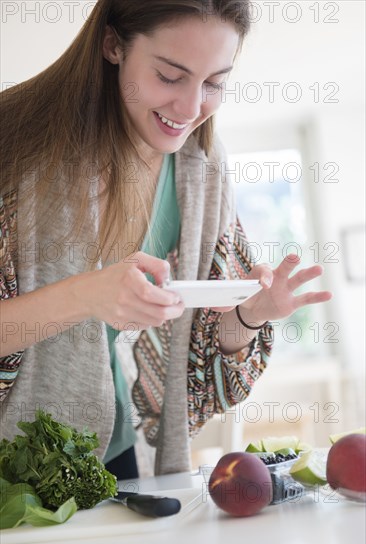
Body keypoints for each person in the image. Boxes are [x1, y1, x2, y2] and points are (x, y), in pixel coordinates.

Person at [0, 0, 331, 480]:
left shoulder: (203, 168)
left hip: (119, 458)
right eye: (171, 77)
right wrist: (83, 296)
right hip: (20, 469)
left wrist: (247, 313)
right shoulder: (17, 145)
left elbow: (203, 362)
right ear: (113, 45)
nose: (192, 108)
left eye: (214, 82)